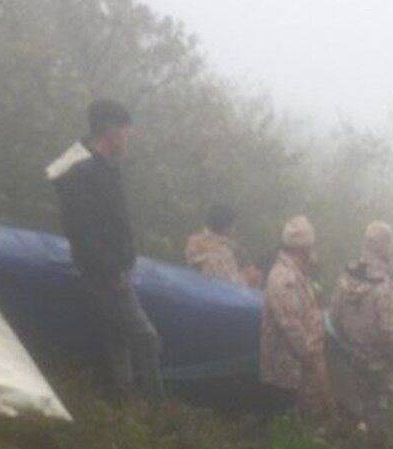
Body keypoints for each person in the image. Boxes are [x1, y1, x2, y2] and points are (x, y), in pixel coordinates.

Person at [47, 98, 164, 402]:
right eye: (125, 130)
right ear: (110, 130)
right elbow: (82, 229)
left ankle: (125, 406)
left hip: (111, 268)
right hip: (103, 272)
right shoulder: (84, 173)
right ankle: (156, 407)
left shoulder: (104, 167)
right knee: (145, 337)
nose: (128, 137)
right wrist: (110, 270)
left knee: (117, 341)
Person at [330, 221, 393, 449]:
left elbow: (334, 318)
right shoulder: (383, 284)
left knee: (372, 407)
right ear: (383, 245)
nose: (392, 248)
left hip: (358, 356)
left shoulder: (347, 277)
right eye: (390, 243)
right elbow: (389, 330)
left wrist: (351, 344)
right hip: (385, 359)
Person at [260, 215, 336, 424]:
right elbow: (291, 326)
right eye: (311, 246)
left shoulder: (298, 274)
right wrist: (312, 361)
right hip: (290, 373)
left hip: (301, 369)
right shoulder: (284, 278)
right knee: (295, 427)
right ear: (303, 248)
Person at [185, 204, 246, 285]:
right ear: (226, 226)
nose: (233, 229)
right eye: (232, 225)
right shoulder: (227, 249)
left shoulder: (194, 240)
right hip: (212, 288)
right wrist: (247, 278)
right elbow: (231, 280)